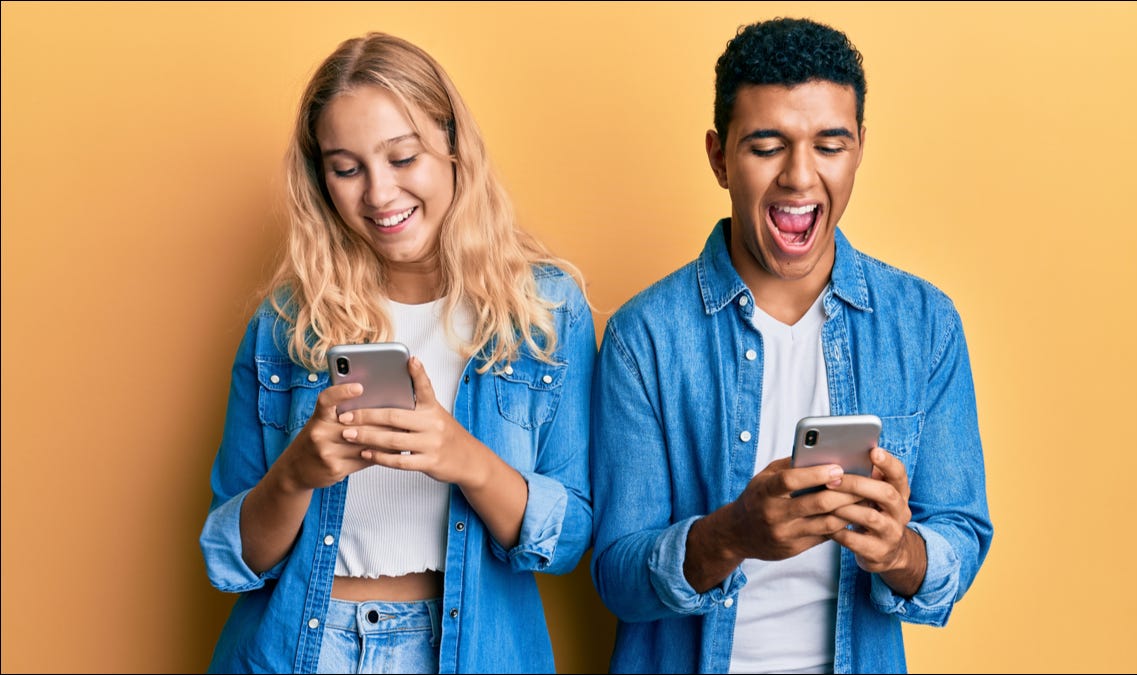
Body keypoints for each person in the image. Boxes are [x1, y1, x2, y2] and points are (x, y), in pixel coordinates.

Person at [589, 17, 992, 674]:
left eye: (829, 145)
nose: (799, 178)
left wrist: (897, 552)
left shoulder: (925, 324)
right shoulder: (646, 335)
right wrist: (731, 535)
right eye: (767, 145)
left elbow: (961, 536)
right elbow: (617, 577)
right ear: (720, 156)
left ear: (860, 147)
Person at [200, 32, 595, 674]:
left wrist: (461, 457)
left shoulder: (545, 312)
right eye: (347, 168)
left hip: (469, 651)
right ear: (321, 179)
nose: (379, 195)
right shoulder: (286, 324)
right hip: (300, 647)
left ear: (453, 148)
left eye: (403, 157)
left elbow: (570, 537)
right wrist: (298, 472)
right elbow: (232, 559)